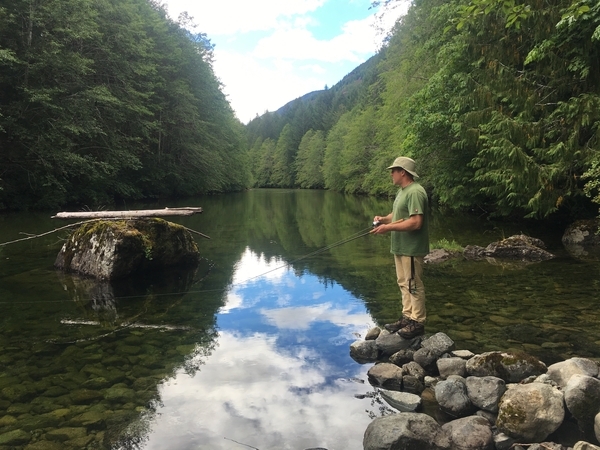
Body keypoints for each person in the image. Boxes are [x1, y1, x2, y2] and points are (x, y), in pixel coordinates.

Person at [371, 156, 429, 339]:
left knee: (414, 285)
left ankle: (417, 322)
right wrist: (384, 219)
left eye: (393, 170)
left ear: (402, 172)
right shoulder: (402, 191)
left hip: (411, 248)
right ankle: (407, 317)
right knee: (403, 283)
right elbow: (398, 215)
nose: (391, 174)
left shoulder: (415, 192)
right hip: (400, 247)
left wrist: (388, 228)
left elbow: (416, 222)